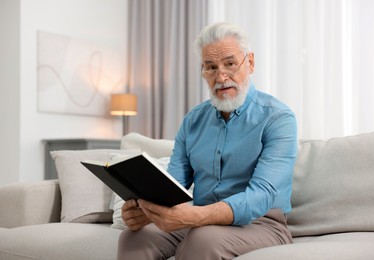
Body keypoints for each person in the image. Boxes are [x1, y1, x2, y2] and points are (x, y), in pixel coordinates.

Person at [117, 22, 297, 260]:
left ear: (250, 63)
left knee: (203, 239)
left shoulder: (278, 118)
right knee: (135, 238)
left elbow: (261, 196)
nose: (221, 76)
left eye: (230, 64)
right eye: (210, 67)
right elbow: (174, 186)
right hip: (199, 220)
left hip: (261, 223)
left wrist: (195, 217)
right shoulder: (193, 121)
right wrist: (144, 210)